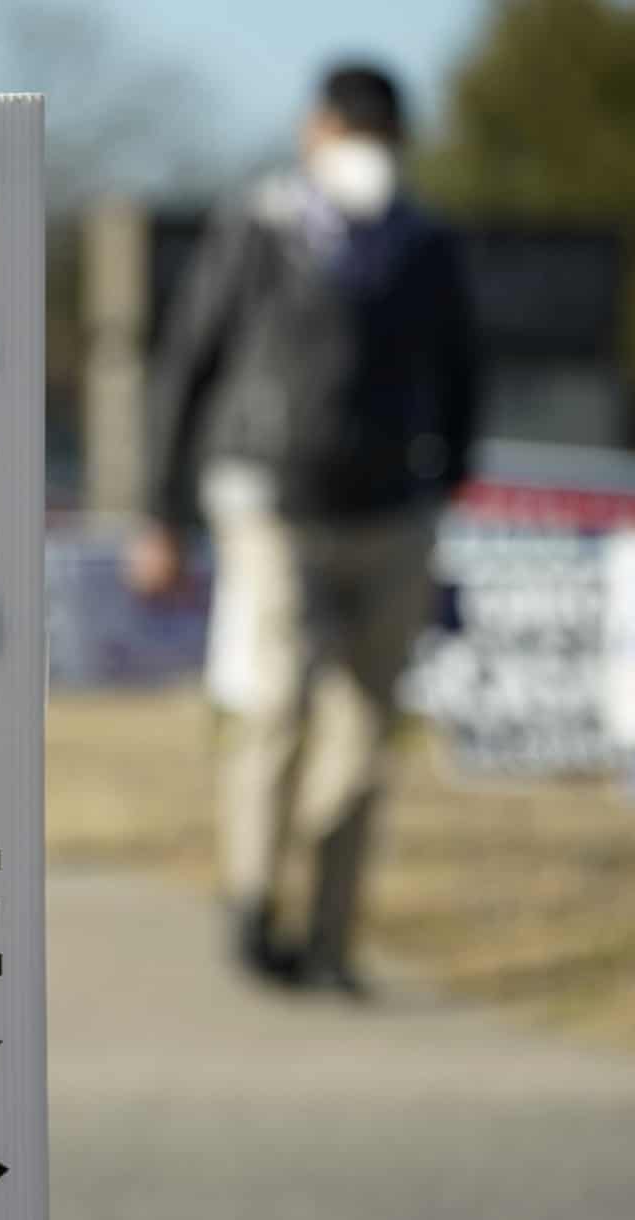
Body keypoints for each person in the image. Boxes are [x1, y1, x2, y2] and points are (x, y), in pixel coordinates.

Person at [126, 62, 481, 993]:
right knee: (279, 698)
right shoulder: (261, 226)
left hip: (391, 512)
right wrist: (161, 513)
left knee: (364, 731)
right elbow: (189, 365)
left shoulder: (423, 243)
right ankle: (252, 900)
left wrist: (443, 481)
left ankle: (330, 937)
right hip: (271, 500)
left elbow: (461, 371)